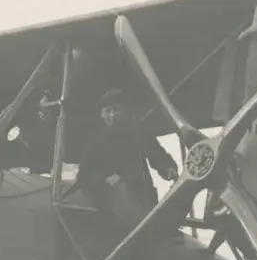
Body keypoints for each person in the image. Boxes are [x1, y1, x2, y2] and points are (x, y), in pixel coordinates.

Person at [63, 89, 179, 226]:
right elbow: (85, 173)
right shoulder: (95, 141)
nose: (112, 115)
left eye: (116, 110)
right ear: (101, 114)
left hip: (140, 197)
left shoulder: (137, 132)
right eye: (107, 111)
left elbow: (156, 153)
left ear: (124, 111)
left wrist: (168, 168)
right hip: (107, 199)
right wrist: (103, 181)